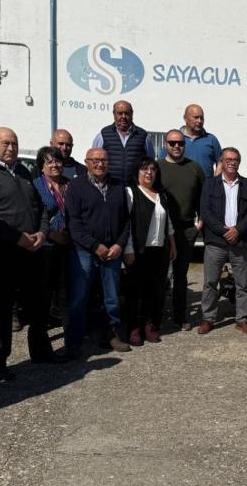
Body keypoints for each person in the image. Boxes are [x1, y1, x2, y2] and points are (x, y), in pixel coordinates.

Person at [0, 127, 61, 381]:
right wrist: (18, 237)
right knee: (0, 308)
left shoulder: (21, 171)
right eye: (6, 143)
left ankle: (41, 351)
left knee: (39, 304)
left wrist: (42, 232)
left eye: (15, 143)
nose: (11, 148)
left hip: (32, 250)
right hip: (2, 252)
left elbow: (40, 206)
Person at [64, 148, 131, 357]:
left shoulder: (118, 186)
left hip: (113, 251)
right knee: (79, 297)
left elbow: (126, 221)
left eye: (103, 160)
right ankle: (74, 342)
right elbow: (73, 224)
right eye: (95, 160)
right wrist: (95, 246)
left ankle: (110, 335)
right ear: (87, 162)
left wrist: (119, 245)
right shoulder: (76, 186)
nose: (100, 164)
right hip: (85, 252)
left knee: (111, 298)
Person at [198, 147, 247, 334]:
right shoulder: (210, 184)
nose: (232, 162)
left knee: (243, 284)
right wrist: (224, 231)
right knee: (210, 282)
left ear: (239, 162)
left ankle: (242, 319)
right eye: (228, 159)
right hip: (216, 242)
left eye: (235, 159)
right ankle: (208, 318)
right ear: (221, 162)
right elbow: (205, 212)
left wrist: (238, 230)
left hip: (240, 242)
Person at [157, 129, 205, 331]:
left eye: (180, 143)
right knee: (159, 275)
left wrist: (199, 224)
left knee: (180, 275)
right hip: (160, 229)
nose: (177, 146)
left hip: (186, 229)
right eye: (172, 143)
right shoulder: (156, 168)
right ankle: (155, 318)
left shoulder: (195, 168)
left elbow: (203, 198)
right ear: (165, 144)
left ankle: (179, 316)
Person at [124, 159, 176, 345]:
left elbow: (168, 222)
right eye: (144, 169)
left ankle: (149, 326)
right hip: (139, 251)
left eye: (152, 169)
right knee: (135, 291)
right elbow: (127, 223)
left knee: (155, 291)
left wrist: (172, 243)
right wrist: (128, 249)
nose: (149, 173)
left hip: (159, 250)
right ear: (137, 172)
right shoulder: (131, 193)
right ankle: (134, 328)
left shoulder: (162, 194)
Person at [33, 146, 72, 324]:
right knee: (46, 289)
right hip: (47, 246)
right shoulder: (36, 186)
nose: (54, 165)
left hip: (69, 243)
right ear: (42, 166)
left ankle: (68, 328)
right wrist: (51, 234)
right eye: (49, 162)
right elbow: (33, 217)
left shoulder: (69, 184)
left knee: (66, 288)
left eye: (57, 161)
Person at [91, 100, 155, 187]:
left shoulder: (143, 136)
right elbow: (93, 161)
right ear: (114, 114)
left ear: (132, 114)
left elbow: (150, 162)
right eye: (120, 113)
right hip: (110, 188)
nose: (123, 116)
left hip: (135, 188)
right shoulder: (103, 135)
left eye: (127, 113)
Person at [180, 104, 222, 177]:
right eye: (196, 117)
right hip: (182, 186)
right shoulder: (175, 140)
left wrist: (215, 182)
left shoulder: (211, 139)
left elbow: (221, 162)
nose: (199, 121)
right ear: (185, 118)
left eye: (201, 118)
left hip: (206, 186)